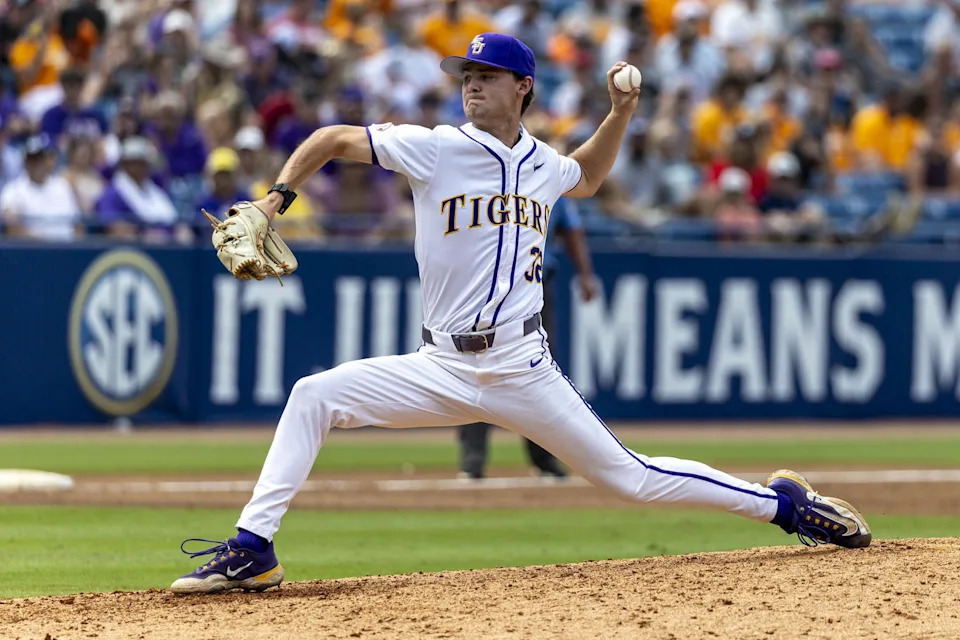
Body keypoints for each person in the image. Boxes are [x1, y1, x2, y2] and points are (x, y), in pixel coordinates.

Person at [170, 33, 871, 595]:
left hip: (522, 366)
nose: (470, 82)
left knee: (631, 476)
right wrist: (273, 203)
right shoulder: (436, 147)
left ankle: (784, 506)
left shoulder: (542, 165)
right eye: (465, 73)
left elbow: (588, 176)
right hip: (440, 364)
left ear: (522, 87)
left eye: (486, 73)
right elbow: (329, 140)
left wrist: (619, 115)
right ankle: (253, 549)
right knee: (312, 396)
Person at [457, 196, 597, 480]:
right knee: (478, 368)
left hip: (535, 289)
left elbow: (571, 230)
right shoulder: (486, 176)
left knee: (539, 373)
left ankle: (544, 459)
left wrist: (585, 274)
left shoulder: (548, 173)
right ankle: (472, 460)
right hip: (486, 288)